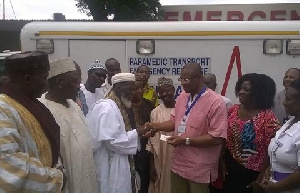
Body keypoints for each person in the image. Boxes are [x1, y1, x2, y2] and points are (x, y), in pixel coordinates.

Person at [148, 63, 228, 193]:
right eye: (181, 79)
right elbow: (174, 121)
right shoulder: (182, 96)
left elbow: (217, 137)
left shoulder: (216, 102)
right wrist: (155, 126)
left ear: (199, 78)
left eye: (186, 79)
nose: (183, 83)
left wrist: (185, 141)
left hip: (199, 168)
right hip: (178, 164)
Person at [0, 51, 64, 192]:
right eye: (44, 78)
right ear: (28, 79)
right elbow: (8, 166)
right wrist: (56, 179)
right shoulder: (3, 109)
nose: (47, 83)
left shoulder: (29, 102)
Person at [39, 58, 98, 193]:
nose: (79, 86)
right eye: (75, 81)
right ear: (59, 83)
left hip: (85, 176)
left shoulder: (74, 105)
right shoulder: (42, 109)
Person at [86, 73, 150, 193]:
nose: (133, 93)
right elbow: (113, 141)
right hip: (109, 163)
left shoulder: (117, 103)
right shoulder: (107, 107)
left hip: (118, 160)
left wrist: (138, 133)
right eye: (131, 89)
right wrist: (138, 132)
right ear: (119, 87)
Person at [223, 73, 280, 193]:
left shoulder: (268, 118)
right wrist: (220, 161)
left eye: (246, 90)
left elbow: (271, 151)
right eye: (240, 88)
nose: (241, 92)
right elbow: (224, 138)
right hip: (230, 168)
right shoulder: (233, 110)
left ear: (258, 93)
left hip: (253, 173)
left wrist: (260, 178)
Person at [261, 79, 300, 193]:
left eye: (288, 99)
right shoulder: (289, 123)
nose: (283, 102)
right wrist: (271, 170)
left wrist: (275, 187)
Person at [147, 77, 176, 193]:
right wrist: (152, 166)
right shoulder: (155, 112)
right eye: (161, 91)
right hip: (160, 155)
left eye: (167, 90)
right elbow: (151, 141)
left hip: (177, 154)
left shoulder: (182, 109)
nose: (165, 94)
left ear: (173, 90)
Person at [131, 74, 155, 193]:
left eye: (141, 88)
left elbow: (154, 125)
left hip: (146, 149)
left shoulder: (148, 104)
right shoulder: (125, 105)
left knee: (145, 180)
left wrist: (150, 132)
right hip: (129, 150)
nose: (139, 91)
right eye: (135, 88)